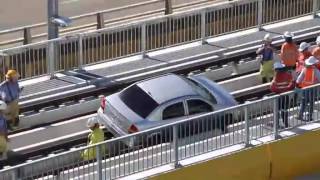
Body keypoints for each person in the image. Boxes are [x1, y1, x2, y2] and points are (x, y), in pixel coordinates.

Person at [270, 62, 295, 128]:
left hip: (278, 96)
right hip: (285, 95)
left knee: (277, 110)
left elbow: (272, 88)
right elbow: (292, 84)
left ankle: (276, 124)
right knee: (284, 109)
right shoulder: (288, 75)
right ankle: (286, 123)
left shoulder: (276, 77)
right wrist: (287, 89)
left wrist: (278, 91)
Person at [296, 56, 320, 121]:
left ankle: (300, 115)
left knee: (303, 102)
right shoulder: (316, 71)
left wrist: (297, 84)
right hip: (312, 89)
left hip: (305, 89)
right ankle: (309, 116)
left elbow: (299, 79)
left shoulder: (304, 69)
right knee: (311, 103)